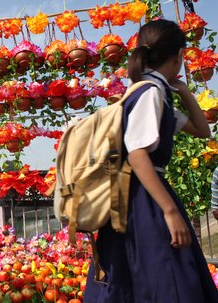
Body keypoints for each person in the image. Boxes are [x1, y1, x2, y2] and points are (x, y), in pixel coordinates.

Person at [84, 19, 218, 302]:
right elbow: (137, 154)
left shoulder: (151, 92)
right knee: (166, 276)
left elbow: (202, 130)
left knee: (137, 275)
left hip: (131, 196)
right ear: (179, 55)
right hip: (141, 197)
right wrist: (170, 211)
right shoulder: (151, 94)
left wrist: (182, 90)